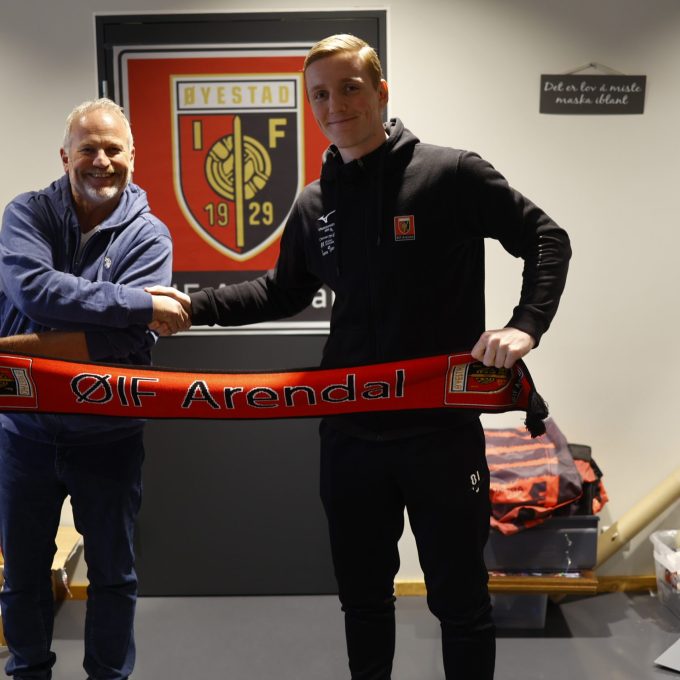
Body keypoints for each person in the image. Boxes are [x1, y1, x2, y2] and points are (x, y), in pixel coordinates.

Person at [149, 34, 571, 680]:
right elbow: (279, 290)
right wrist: (191, 306)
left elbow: (546, 237)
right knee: (364, 601)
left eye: (349, 88)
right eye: (320, 94)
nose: (335, 105)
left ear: (380, 92)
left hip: (439, 434)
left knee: (461, 603)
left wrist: (526, 326)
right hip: (350, 437)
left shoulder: (451, 174)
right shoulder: (315, 203)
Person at [0, 98, 186, 680]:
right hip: (23, 433)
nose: (101, 160)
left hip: (108, 435)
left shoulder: (150, 236)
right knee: (22, 576)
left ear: (133, 156)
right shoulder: (26, 214)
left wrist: (19, 346)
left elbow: (126, 345)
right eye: (87, 149)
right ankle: (28, 672)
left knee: (113, 576)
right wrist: (137, 303)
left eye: (112, 149)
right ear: (65, 157)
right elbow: (33, 292)